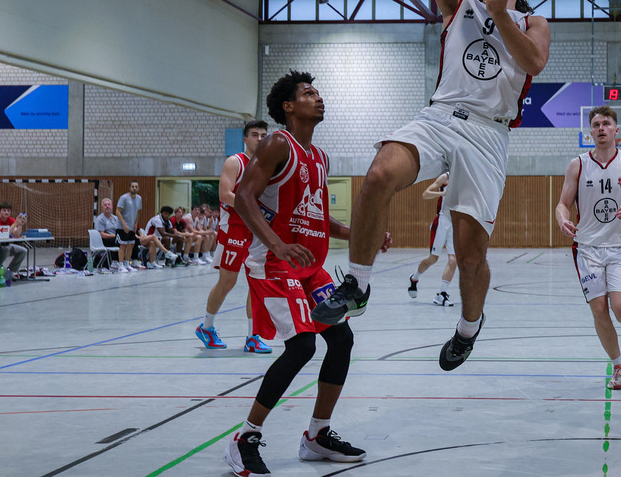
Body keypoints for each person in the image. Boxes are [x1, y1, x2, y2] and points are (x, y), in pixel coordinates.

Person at [311, 0, 551, 373]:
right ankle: (358, 283)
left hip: (490, 133)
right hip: (441, 114)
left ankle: (469, 327)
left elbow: (532, 63)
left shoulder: (532, 21)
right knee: (377, 175)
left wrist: (497, 12)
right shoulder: (458, 2)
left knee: (469, 253)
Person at [223, 71, 387, 474]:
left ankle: (316, 434)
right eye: (309, 93)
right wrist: (277, 244)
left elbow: (318, 215)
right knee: (301, 347)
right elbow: (243, 197)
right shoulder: (279, 143)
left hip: (310, 269)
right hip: (274, 263)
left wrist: (359, 234)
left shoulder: (320, 157)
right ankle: (245, 439)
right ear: (288, 107)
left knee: (342, 339)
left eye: (318, 92)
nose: (319, 98)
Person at [557, 105, 621, 390]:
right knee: (599, 310)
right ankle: (618, 366)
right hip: (588, 249)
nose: (600, 128)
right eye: (596, 124)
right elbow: (562, 204)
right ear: (590, 130)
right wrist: (562, 219)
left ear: (616, 130)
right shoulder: (578, 165)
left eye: (606, 123)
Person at [196, 120, 273, 353]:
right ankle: (206, 326)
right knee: (227, 282)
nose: (259, 138)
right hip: (235, 228)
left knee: (256, 284)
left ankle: (253, 336)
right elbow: (224, 194)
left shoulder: (268, 166)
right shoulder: (235, 161)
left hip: (256, 229)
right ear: (245, 139)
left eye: (263, 135)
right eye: (255, 134)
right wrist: (253, 208)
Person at [407, 172, 458, 306]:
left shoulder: (465, 179)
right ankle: (414, 278)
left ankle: (442, 294)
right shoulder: (445, 178)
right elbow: (425, 194)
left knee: (453, 260)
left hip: (455, 222)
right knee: (433, 258)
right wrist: (442, 194)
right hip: (442, 221)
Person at [0, 202, 27, 275]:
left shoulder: (11, 220)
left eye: (8, 210)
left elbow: (16, 235)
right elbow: (4, 234)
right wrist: (16, 223)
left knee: (23, 251)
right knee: (6, 249)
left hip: (6, 245)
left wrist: (20, 225)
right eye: (4, 210)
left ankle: (10, 271)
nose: (6, 212)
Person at [115, 182, 143, 270]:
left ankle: (127, 264)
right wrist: (124, 224)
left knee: (131, 244)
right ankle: (120, 265)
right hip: (122, 227)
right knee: (123, 245)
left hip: (132, 226)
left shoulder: (139, 198)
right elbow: (117, 211)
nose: (134, 188)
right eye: (132, 186)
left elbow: (138, 212)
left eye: (136, 187)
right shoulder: (124, 198)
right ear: (129, 187)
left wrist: (136, 224)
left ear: (138, 188)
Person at [93, 198, 121, 271]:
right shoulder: (100, 219)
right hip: (104, 240)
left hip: (114, 238)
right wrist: (115, 236)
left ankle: (131, 261)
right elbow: (102, 234)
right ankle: (115, 261)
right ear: (102, 208)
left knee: (129, 240)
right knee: (118, 241)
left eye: (109, 205)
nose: (107, 206)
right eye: (105, 205)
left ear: (111, 207)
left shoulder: (115, 218)